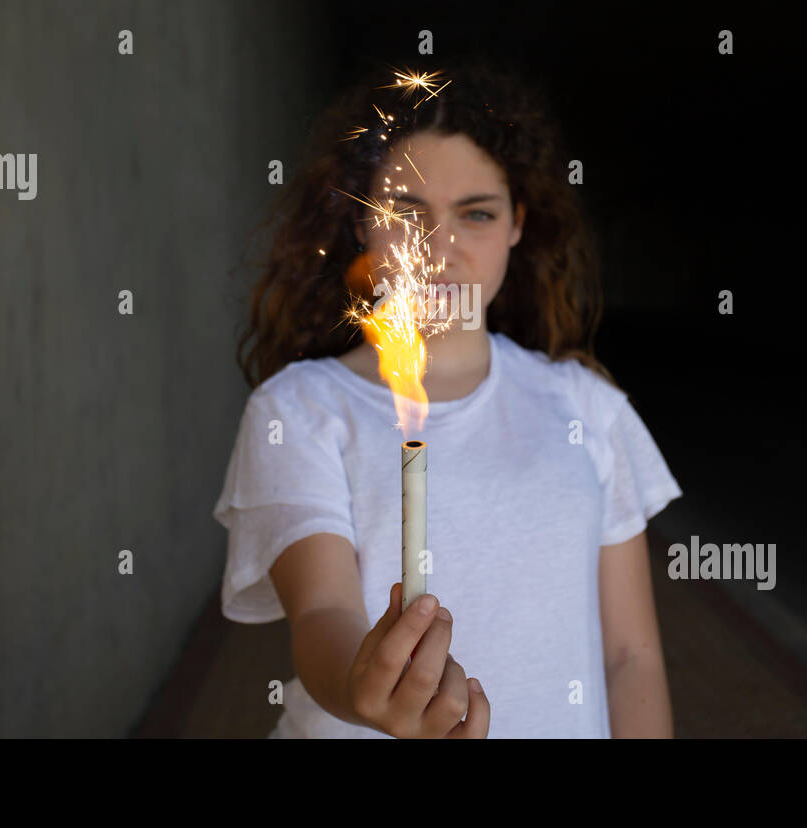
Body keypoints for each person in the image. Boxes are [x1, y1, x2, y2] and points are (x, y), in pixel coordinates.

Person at [213, 54, 683, 738]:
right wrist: (365, 685)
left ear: (518, 224)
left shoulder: (587, 408)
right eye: (406, 212)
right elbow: (323, 618)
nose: (440, 248)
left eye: (477, 213)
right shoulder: (300, 411)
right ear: (361, 226)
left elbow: (630, 657)